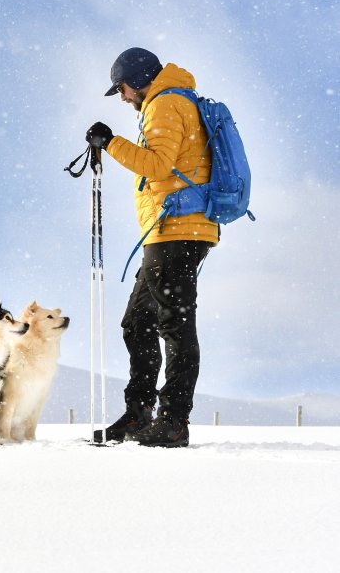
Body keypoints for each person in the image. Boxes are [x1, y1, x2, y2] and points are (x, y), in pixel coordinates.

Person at [85, 47, 217, 448]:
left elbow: (158, 166)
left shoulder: (164, 104)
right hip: (172, 230)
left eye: (122, 89)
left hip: (178, 230)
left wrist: (110, 143)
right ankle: (140, 412)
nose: (123, 97)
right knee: (138, 322)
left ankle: (173, 420)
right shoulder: (170, 101)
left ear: (138, 80)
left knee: (173, 324)